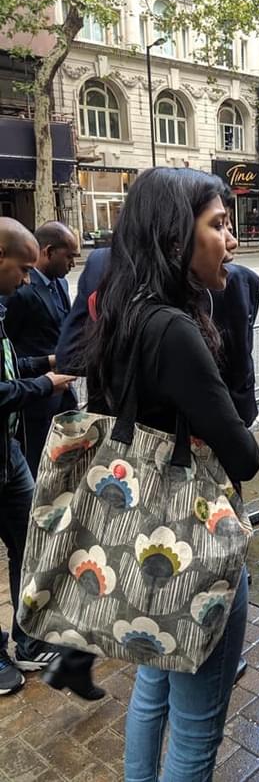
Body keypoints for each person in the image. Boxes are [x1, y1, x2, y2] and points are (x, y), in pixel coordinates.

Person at [80, 168, 259, 781]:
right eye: (217, 225)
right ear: (175, 236)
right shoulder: (176, 328)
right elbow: (246, 457)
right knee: (196, 726)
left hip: (142, 545)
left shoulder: (122, 310)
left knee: (152, 691)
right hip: (195, 548)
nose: (229, 240)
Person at [0, 217, 75, 695]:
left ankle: (26, 640)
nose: (28, 279)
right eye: (22, 268)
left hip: (8, 457)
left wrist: (47, 363)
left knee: (28, 544)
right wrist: (43, 384)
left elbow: (9, 362)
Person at [2, 221, 78, 476]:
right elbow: (9, 355)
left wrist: (53, 361)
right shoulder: (17, 292)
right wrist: (41, 382)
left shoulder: (61, 284)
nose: (72, 264)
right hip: (29, 402)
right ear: (49, 251)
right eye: (69, 256)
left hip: (58, 390)